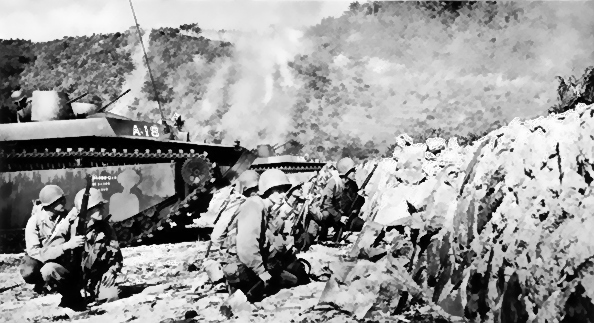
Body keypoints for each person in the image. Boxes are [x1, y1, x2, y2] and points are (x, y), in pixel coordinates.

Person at [222, 169, 310, 302]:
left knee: (294, 278)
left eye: (283, 190)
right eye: (277, 190)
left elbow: (270, 238)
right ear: (266, 190)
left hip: (249, 264)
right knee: (286, 282)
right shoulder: (254, 206)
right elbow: (247, 247)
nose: (282, 195)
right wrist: (261, 272)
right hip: (241, 267)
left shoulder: (264, 207)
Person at [42, 187, 123, 310]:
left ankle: (91, 294)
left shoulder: (106, 228)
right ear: (87, 210)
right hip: (72, 276)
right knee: (48, 270)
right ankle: (72, 296)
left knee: (112, 295)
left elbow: (116, 255)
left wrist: (112, 271)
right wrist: (68, 245)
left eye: (102, 205)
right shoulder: (68, 226)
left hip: (94, 279)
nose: (102, 209)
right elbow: (45, 253)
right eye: (98, 206)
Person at [19, 185, 77, 295]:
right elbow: (34, 252)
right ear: (50, 204)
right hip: (40, 258)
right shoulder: (34, 221)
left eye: (63, 199)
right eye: (60, 200)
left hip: (61, 257)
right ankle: (40, 282)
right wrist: (62, 248)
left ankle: (54, 281)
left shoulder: (66, 217)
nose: (64, 202)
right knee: (28, 270)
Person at [308, 157, 366, 242]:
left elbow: (354, 201)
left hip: (345, 215)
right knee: (326, 215)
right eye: (352, 170)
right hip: (332, 215)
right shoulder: (333, 183)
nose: (355, 172)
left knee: (361, 225)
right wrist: (339, 217)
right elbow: (327, 204)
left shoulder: (353, 184)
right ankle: (323, 233)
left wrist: (356, 208)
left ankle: (341, 230)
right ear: (346, 172)